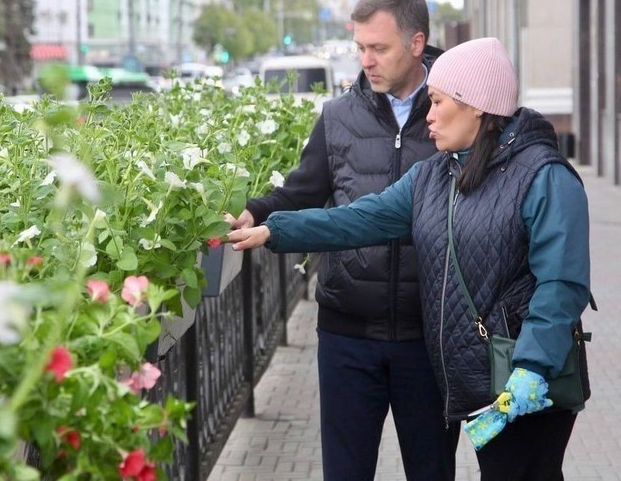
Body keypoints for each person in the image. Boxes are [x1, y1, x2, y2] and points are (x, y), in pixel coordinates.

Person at [227, 37, 592, 481]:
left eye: (437, 103)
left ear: (476, 105)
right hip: (479, 382)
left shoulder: (544, 175)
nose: (429, 116)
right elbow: (359, 220)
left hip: (527, 382)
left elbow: (561, 284)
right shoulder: (436, 174)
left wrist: (532, 367)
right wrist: (274, 229)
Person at [226, 0, 458, 481]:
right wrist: (256, 212)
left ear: (416, 44)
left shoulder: (455, 112)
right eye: (360, 48)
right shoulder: (338, 117)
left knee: (433, 471)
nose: (366, 60)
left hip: (430, 335)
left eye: (379, 48)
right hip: (347, 333)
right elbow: (302, 192)